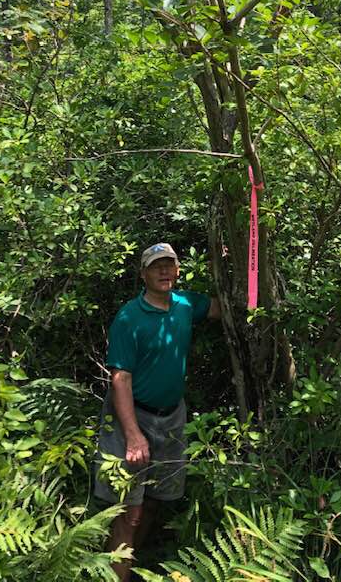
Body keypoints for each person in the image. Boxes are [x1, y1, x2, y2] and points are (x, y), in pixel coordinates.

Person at [95, 241, 221, 581]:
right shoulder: (129, 317)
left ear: (178, 270)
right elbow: (120, 378)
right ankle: (114, 575)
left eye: (169, 265)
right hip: (132, 417)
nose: (164, 271)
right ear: (143, 274)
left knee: (153, 500)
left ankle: (127, 564)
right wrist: (133, 435)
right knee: (129, 511)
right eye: (156, 266)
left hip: (172, 417)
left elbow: (221, 307)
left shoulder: (184, 304)